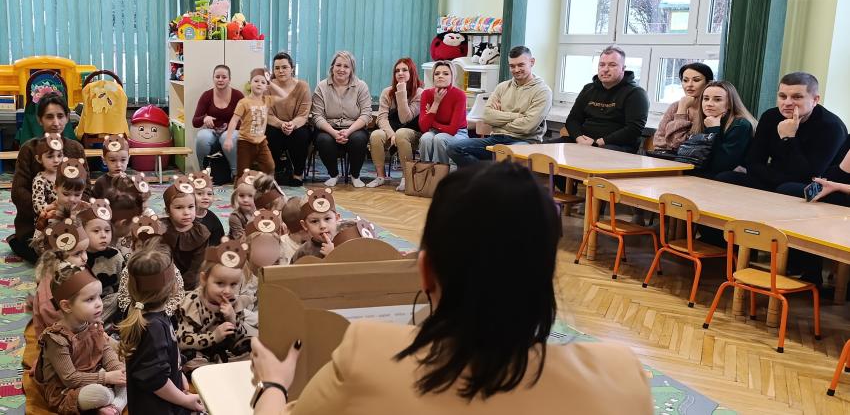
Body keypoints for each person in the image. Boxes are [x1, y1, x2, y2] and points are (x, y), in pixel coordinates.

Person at [248, 163, 652, 414]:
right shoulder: (621, 377)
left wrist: (274, 385)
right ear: (545, 275)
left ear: (425, 272)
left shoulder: (366, 355)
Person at [715, 72, 846, 192]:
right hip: (775, 178)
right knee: (725, 178)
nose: (787, 103)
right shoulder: (770, 116)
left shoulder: (831, 126)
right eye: (782, 96)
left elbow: (809, 175)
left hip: (815, 187)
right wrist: (776, 179)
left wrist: (788, 138)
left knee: (787, 188)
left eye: (797, 97)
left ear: (815, 100)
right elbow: (753, 162)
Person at [119, 244, 204, 414]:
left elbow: (164, 357)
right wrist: (184, 400)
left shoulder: (151, 316)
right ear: (173, 287)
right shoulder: (153, 327)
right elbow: (155, 379)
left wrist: (178, 374)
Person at [35, 265, 127, 414]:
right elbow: (70, 379)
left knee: (128, 371)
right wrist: (107, 377)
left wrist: (118, 370)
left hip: (96, 375)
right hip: (68, 389)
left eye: (99, 296)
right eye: (90, 299)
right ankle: (109, 400)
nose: (99, 303)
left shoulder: (93, 324)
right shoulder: (56, 339)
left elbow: (105, 351)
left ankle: (114, 407)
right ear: (66, 306)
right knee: (100, 394)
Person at [11, 93, 89, 263]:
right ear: (40, 120)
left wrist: (68, 208)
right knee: (48, 253)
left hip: (72, 218)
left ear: (67, 118)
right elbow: (18, 192)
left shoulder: (75, 148)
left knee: (91, 244)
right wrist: (47, 211)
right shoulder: (29, 149)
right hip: (36, 223)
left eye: (60, 116)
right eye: (49, 117)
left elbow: (87, 189)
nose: (55, 122)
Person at [447, 46, 552, 167]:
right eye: (512, 66)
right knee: (454, 148)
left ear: (532, 62)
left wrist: (498, 121)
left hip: (524, 141)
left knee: (508, 156)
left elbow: (527, 127)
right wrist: (516, 116)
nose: (516, 70)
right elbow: (487, 116)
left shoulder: (543, 91)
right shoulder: (502, 87)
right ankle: (486, 174)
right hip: (496, 139)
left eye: (521, 65)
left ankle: (488, 175)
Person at [176, 237, 252, 374]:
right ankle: (211, 371)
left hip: (224, 350)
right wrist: (213, 337)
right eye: (220, 283)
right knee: (189, 358)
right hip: (200, 351)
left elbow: (240, 338)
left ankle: (224, 368)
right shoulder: (193, 303)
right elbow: (182, 340)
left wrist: (232, 319)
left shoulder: (234, 302)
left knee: (253, 347)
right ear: (204, 279)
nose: (227, 291)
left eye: (233, 284)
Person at [553, 46, 649, 153]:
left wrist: (599, 142)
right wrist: (579, 138)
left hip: (615, 147)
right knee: (544, 148)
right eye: (602, 65)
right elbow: (573, 119)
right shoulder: (588, 89)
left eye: (612, 65)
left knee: (595, 155)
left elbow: (634, 129)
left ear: (623, 68)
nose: (606, 69)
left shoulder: (636, 93)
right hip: (583, 142)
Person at [311, 51, 372, 188]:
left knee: (358, 139)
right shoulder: (322, 87)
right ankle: (333, 174)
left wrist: (348, 131)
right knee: (323, 140)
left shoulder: (361, 86)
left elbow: (366, 114)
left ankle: (355, 175)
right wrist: (334, 132)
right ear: (332, 67)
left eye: (346, 66)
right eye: (338, 65)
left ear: (351, 70)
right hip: (328, 128)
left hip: (354, 127)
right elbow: (317, 116)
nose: (341, 69)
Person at [223, 69, 290, 183]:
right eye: (256, 81)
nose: (259, 84)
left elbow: (285, 96)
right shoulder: (244, 102)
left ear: (266, 87)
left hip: (261, 142)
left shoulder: (267, 100)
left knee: (270, 167)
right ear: (250, 83)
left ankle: (265, 188)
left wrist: (270, 83)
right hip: (245, 142)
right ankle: (239, 191)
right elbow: (234, 120)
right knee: (243, 172)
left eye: (263, 82)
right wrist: (228, 139)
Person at [367, 57, 424, 189]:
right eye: (397, 71)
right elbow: (381, 118)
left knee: (401, 133)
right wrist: (391, 134)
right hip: (393, 131)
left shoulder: (420, 93)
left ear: (412, 72)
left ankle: (406, 177)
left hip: (413, 133)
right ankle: (380, 176)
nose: (400, 73)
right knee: (376, 135)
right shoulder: (387, 92)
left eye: (405, 70)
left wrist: (402, 92)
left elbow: (405, 118)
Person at [32, 218, 90, 337]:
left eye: (85, 251)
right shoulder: (53, 283)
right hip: (60, 337)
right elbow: (52, 317)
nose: (85, 258)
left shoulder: (71, 270)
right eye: (77, 254)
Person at [690, 81, 757, 178]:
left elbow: (722, 165)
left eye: (717, 100)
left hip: (730, 176)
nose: (709, 104)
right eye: (706, 99)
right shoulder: (705, 120)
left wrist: (713, 129)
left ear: (729, 104)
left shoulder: (740, 125)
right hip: (708, 172)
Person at [266, 52, 312, 187]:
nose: (281, 71)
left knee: (301, 135)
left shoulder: (303, 86)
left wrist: (292, 124)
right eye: (277, 68)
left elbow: (303, 114)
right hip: (275, 125)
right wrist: (281, 124)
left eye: (284, 67)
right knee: (269, 134)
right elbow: (267, 114)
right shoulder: (267, 87)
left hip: (296, 125)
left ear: (292, 69)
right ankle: (276, 172)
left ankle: (298, 174)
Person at [192, 64, 245, 179]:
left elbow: (246, 119)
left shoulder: (238, 95)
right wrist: (204, 118)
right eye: (217, 77)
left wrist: (233, 126)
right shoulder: (206, 95)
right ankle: (203, 172)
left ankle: (236, 173)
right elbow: (195, 122)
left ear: (229, 79)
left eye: (224, 77)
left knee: (227, 136)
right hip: (212, 131)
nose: (220, 80)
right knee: (202, 137)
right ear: (213, 78)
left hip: (232, 131)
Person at [160, 177, 211, 290]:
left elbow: (197, 267)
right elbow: (159, 258)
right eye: (179, 207)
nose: (187, 212)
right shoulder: (161, 228)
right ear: (168, 211)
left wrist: (182, 286)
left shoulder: (201, 233)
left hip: (191, 282)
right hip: (165, 278)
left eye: (191, 207)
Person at [652, 63, 714, 151]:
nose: (689, 85)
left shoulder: (711, 108)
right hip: (668, 157)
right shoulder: (675, 106)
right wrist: (682, 107)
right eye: (685, 80)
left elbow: (678, 144)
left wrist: (682, 110)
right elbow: (658, 141)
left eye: (696, 80)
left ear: (708, 83)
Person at [81, 200, 124, 324]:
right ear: (83, 232)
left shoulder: (115, 255)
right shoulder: (80, 257)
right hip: (86, 303)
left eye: (107, 230)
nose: (103, 235)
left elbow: (124, 282)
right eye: (96, 231)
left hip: (110, 301)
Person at [418, 61, 467, 165]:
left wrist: (432, 121)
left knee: (439, 139)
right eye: (437, 74)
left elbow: (452, 130)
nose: (440, 76)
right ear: (433, 77)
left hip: (458, 133)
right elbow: (423, 128)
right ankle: (425, 171)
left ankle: (441, 172)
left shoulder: (459, 95)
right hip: (434, 131)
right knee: (426, 138)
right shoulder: (426, 94)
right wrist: (436, 103)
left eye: (446, 73)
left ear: (452, 77)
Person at [290, 189, 340, 263]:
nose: (322, 226)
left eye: (327, 219)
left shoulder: (346, 240)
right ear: (305, 225)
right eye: (314, 221)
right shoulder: (303, 253)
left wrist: (334, 255)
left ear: (337, 218)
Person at [31, 133, 65, 217]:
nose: (56, 160)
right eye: (50, 156)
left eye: (59, 155)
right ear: (39, 159)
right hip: (49, 217)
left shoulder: (65, 176)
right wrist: (52, 207)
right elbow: (38, 205)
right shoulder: (40, 180)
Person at [192, 169, 225, 246]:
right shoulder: (186, 217)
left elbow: (218, 242)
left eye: (209, 194)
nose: (205, 197)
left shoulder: (213, 219)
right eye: (199, 193)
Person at [93, 134, 132, 198]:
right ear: (104, 160)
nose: (118, 165)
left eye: (123, 160)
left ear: (128, 159)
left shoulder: (131, 182)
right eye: (113, 160)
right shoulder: (100, 182)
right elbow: (94, 201)